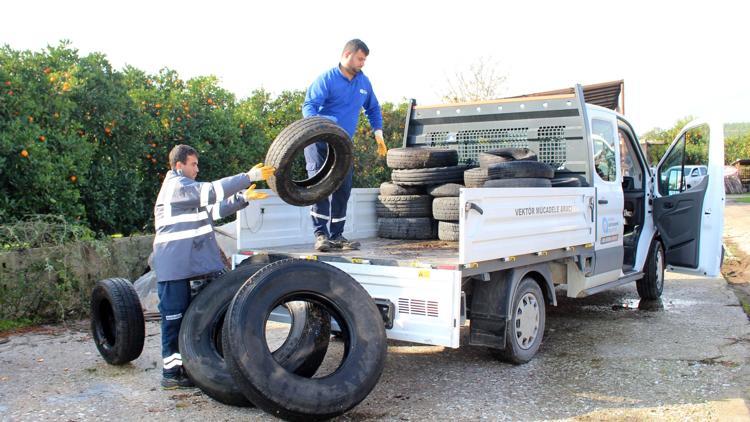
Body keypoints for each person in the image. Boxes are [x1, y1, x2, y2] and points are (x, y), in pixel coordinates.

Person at [152, 144, 274, 389]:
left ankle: (193, 369)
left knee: (197, 320)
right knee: (174, 321)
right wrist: (248, 177)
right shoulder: (176, 187)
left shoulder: (187, 194)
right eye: (193, 164)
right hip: (176, 269)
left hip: (191, 266)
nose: (197, 169)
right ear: (179, 166)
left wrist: (242, 198)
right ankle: (171, 374)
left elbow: (214, 209)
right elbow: (211, 192)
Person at [303, 38, 386, 252]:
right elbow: (309, 106)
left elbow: (373, 109)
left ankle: (337, 235)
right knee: (320, 188)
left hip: (342, 144)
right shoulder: (327, 79)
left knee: (343, 189)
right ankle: (321, 235)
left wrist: (378, 133)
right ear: (347, 54)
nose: (362, 63)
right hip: (319, 142)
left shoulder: (364, 83)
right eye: (360, 58)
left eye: (364, 60)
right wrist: (318, 128)